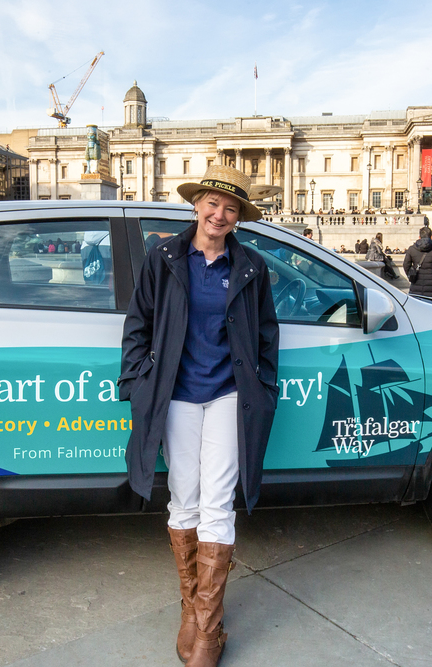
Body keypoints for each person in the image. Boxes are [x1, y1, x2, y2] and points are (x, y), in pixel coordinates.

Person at [119, 165, 279, 667]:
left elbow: (267, 335)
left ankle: (207, 630)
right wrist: (136, 380)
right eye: (212, 203)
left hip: (230, 394)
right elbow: (137, 322)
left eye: (230, 208)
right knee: (183, 498)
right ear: (197, 206)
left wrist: (265, 385)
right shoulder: (164, 257)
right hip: (178, 395)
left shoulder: (251, 265)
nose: (219, 214)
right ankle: (191, 611)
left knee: (218, 501)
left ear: (238, 218)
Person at [403, 227, 432, 298]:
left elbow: (406, 265)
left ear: (419, 237)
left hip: (416, 286)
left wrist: (411, 275)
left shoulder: (412, 249)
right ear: (431, 237)